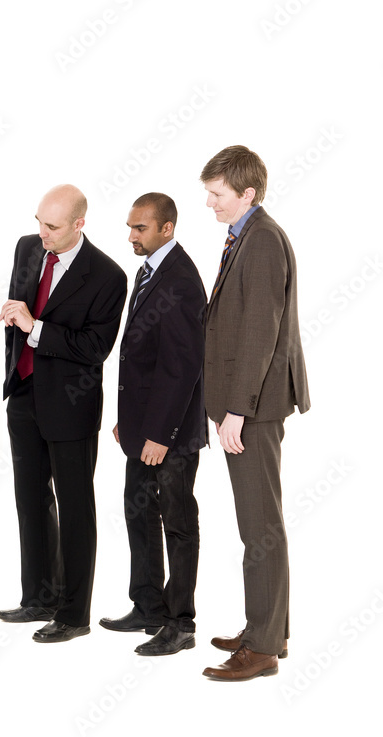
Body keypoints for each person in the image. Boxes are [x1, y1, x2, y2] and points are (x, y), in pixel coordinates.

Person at [199, 146, 310, 681]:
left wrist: (236, 412)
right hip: (249, 405)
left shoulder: (262, 241)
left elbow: (260, 335)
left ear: (247, 193)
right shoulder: (248, 234)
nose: (209, 203)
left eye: (218, 194)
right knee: (257, 523)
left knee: (259, 526)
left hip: (255, 409)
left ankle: (263, 648)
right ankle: (266, 628)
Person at [0, 184, 126, 643]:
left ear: (79, 224)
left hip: (71, 405)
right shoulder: (28, 248)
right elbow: (20, 308)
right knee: (30, 501)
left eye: (51, 226)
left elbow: (95, 350)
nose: (41, 233)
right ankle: (38, 597)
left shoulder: (108, 276)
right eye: (38, 222)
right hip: (25, 394)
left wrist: (36, 329)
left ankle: (74, 615)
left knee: (74, 510)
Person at [99, 193, 206, 656]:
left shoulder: (181, 279)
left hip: (172, 435)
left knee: (177, 523)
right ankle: (148, 606)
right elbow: (139, 356)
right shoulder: (148, 272)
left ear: (166, 228)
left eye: (140, 228)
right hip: (142, 428)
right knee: (138, 512)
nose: (131, 236)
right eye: (129, 226)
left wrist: (161, 433)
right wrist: (131, 422)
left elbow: (181, 367)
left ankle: (180, 623)